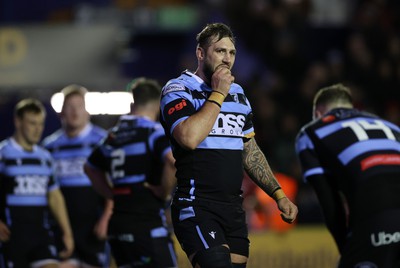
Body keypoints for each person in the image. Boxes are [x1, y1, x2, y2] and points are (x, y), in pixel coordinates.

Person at [159, 22, 298, 268]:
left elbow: (249, 150)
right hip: (196, 204)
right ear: (201, 54)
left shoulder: (238, 93)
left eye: (232, 53)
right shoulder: (179, 89)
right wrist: (219, 94)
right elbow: (188, 138)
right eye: (220, 51)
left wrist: (278, 195)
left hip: (233, 209)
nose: (227, 59)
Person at [295, 83, 400, 267]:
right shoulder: (391, 126)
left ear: (318, 114)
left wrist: (346, 247)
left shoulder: (311, 132)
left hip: (376, 216)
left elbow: (329, 202)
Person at [84, 78, 178, 268]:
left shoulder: (114, 134)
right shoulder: (153, 131)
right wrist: (163, 190)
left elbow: (89, 167)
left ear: (132, 103)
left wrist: (110, 193)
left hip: (118, 228)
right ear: (158, 105)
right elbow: (172, 161)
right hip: (147, 226)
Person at [0, 98, 74, 267]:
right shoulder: (3, 154)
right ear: (18, 122)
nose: (38, 129)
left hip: (40, 235)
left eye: (41, 124)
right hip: (12, 237)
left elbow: (55, 196)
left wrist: (67, 232)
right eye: (32, 123)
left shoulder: (45, 157)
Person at [42, 85, 110, 268]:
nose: (74, 112)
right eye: (69, 106)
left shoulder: (102, 140)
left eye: (79, 106)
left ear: (87, 111)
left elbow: (114, 184)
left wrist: (106, 217)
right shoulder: (49, 146)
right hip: (61, 229)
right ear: (60, 112)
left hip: (94, 228)